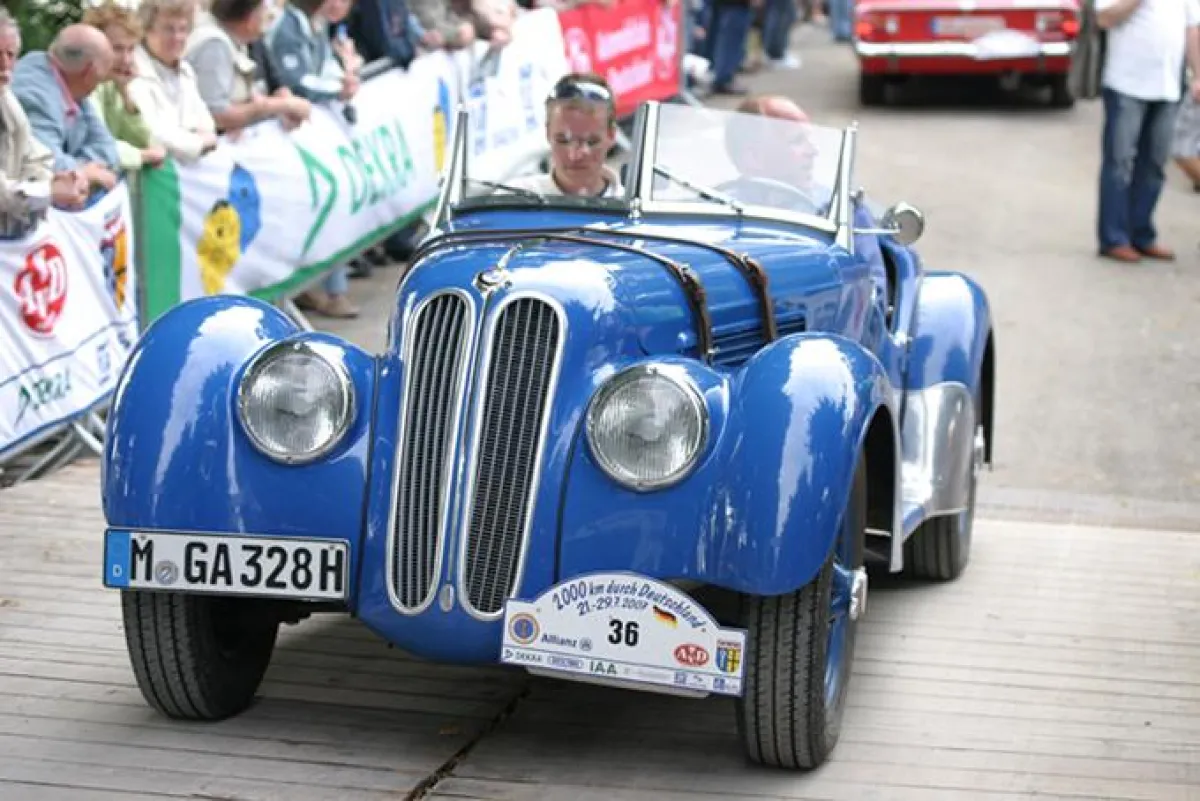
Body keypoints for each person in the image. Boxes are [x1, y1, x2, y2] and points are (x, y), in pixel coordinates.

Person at [726, 94, 888, 311]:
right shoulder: (717, 211)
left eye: (809, 140)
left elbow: (873, 290)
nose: (813, 152)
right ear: (753, 158)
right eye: (797, 141)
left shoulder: (840, 210)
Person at [1095, 0, 1200, 263]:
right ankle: (1114, 238)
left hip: (1168, 86)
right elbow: (1104, 19)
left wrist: (1198, 74)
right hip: (1125, 85)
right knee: (1119, 164)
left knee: (1153, 165)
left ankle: (1142, 234)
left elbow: (1192, 29)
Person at [12, 24, 121, 200]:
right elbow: (47, 165)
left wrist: (81, 169)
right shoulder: (34, 96)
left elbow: (107, 148)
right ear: (89, 72)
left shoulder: (72, 83)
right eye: (102, 76)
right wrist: (84, 172)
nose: (101, 82)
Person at [0, 9, 85, 231]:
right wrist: (49, 191)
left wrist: (61, 179)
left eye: (10, 55)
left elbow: (36, 156)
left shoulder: (7, 97)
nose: (4, 64)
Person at [186, 0, 312, 135]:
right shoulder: (214, 45)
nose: (269, 15)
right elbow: (217, 115)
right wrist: (281, 106)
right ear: (250, 17)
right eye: (264, 9)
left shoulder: (236, 38)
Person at [127, 0, 220, 164]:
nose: (177, 37)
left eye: (183, 29)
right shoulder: (133, 71)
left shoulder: (186, 71)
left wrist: (202, 138)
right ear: (146, 30)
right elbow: (153, 132)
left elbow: (206, 123)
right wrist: (198, 143)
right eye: (168, 29)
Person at [83, 2, 169, 174]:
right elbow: (98, 146)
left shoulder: (112, 85)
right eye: (118, 49)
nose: (127, 60)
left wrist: (125, 93)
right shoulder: (83, 85)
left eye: (131, 49)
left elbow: (143, 139)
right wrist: (141, 156)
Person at [509, 73, 624, 198]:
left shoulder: (635, 211)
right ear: (547, 133)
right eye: (562, 141)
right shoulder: (512, 201)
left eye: (591, 142)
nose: (575, 155)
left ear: (611, 135)